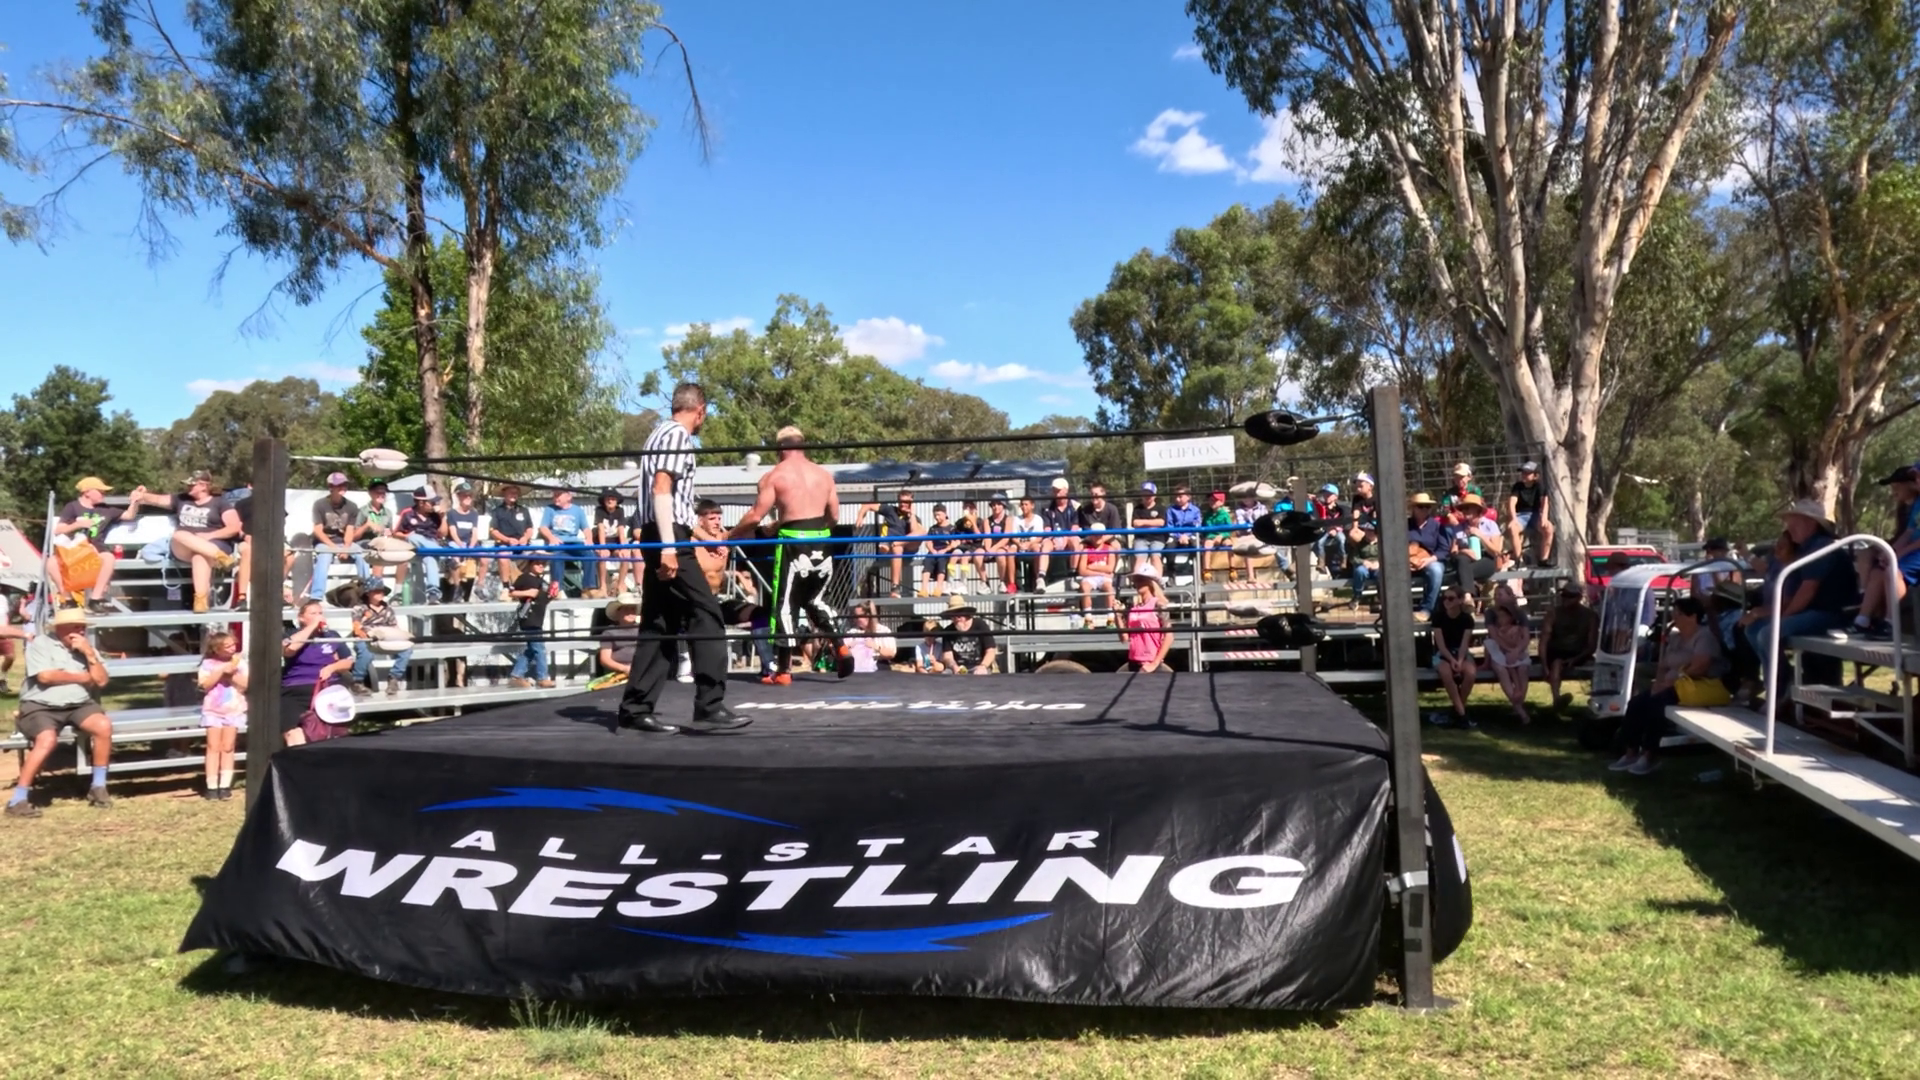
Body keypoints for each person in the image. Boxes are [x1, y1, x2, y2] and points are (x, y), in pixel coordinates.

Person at [616, 382, 748, 735]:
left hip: (663, 532)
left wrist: (703, 538)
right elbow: (661, 488)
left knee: (659, 624)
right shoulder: (677, 435)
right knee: (708, 614)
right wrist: (669, 548)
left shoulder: (657, 433)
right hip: (667, 536)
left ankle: (634, 709)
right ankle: (709, 707)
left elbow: (677, 504)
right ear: (700, 411)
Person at [729, 425, 851, 683]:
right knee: (816, 600)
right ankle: (840, 645)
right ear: (802, 445)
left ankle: (784, 671)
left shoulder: (775, 476)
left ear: (780, 449)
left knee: (785, 603)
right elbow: (834, 516)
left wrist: (730, 536)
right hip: (823, 539)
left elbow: (755, 516)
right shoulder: (824, 475)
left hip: (794, 544)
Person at [1743, 500, 1856, 696]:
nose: (1789, 528)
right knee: (1753, 629)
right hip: (1812, 612)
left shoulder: (1821, 547)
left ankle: (1778, 690)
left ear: (1811, 523)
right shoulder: (1804, 548)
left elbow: (1807, 590)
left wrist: (1782, 617)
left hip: (1830, 614)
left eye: (1794, 522)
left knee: (1767, 633)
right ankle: (1783, 679)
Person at [8, 608, 114, 816]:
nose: (80, 631)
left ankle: (98, 787)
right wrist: (83, 678)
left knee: (103, 726)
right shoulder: (40, 644)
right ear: (60, 628)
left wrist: (90, 655)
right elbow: (46, 677)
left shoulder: (87, 648)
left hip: (79, 704)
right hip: (40, 705)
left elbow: (101, 681)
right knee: (47, 739)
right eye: (75, 626)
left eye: (82, 627)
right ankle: (17, 800)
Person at [1611, 596, 1727, 776]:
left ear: (1692, 616)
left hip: (1694, 686)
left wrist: (1671, 682)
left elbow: (1700, 667)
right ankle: (1630, 752)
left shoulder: (1705, 637)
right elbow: (1663, 665)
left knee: (1656, 706)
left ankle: (1649, 755)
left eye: (1678, 614)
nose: (1674, 617)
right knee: (1636, 703)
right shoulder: (1676, 638)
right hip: (1670, 685)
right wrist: (1659, 682)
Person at [125, 471, 243, 613]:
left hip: (212, 543)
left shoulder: (220, 503)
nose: (188, 487)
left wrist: (209, 536)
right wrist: (142, 495)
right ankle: (221, 558)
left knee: (199, 556)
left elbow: (234, 527)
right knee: (179, 534)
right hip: (184, 546)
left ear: (203, 486)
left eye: (191, 485)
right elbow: (158, 499)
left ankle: (201, 600)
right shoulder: (181, 499)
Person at [49, 476, 135, 613]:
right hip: (74, 550)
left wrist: (135, 501)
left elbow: (129, 515)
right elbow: (58, 530)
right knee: (51, 563)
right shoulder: (72, 507)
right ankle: (68, 600)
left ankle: (95, 599)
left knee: (109, 558)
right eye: (100, 491)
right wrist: (77, 525)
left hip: (96, 548)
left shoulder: (106, 509)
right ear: (87, 492)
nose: (104, 494)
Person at [1854, 465, 1920, 638]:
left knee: (1892, 571)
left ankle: (1891, 623)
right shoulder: (1916, 505)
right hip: (1913, 551)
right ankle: (1862, 620)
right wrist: (1890, 551)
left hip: (1916, 553)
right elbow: (1909, 532)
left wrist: (1898, 554)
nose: (1917, 481)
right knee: (1878, 571)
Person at [281, 599, 353, 748]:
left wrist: (332, 667)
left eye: (320, 613)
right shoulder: (291, 634)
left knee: (332, 730)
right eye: (313, 613)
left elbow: (348, 661)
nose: (318, 616)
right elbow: (289, 650)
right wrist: (312, 626)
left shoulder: (331, 635)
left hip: (327, 687)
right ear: (301, 618)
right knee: (292, 731)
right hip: (295, 688)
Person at [196, 631, 247, 800]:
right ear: (217, 649)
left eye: (233, 645)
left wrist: (231, 675)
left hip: (233, 709)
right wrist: (220, 671)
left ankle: (225, 784)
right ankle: (211, 785)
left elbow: (245, 685)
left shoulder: (240, 663)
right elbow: (205, 685)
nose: (232, 648)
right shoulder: (208, 664)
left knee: (228, 746)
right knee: (213, 746)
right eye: (227, 646)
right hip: (213, 710)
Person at [308, 472, 372, 601]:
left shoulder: (352, 506)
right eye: (339, 485)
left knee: (362, 555)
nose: (343, 487)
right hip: (324, 542)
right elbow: (318, 530)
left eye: (345, 484)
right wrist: (334, 548)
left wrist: (346, 548)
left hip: (343, 541)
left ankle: (366, 591)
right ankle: (316, 596)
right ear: (331, 487)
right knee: (324, 557)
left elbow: (350, 530)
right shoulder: (320, 504)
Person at [1539, 582, 1600, 711]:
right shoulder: (1553, 614)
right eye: (1564, 595)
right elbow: (1544, 640)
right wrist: (1544, 666)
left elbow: (1592, 646)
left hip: (1580, 653)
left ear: (1579, 597)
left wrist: (1576, 659)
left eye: (1570, 596)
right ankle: (1557, 699)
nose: (1565, 598)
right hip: (1556, 652)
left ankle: (1597, 701)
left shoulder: (1590, 616)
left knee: (1599, 669)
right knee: (1557, 663)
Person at [348, 578, 412, 696]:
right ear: (368, 593)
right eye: (376, 591)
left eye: (381, 591)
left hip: (385, 637)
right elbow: (357, 627)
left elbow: (393, 626)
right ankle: (357, 681)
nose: (380, 594)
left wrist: (398, 636)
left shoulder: (388, 609)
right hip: (366, 638)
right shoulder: (359, 608)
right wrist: (366, 635)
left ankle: (394, 678)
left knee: (406, 649)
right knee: (366, 653)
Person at [1427, 589, 1478, 729]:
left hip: (1461, 652)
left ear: (1460, 600)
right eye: (1444, 598)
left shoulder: (1467, 619)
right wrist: (1452, 660)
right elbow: (1441, 645)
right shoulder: (1438, 617)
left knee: (1470, 673)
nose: (1446, 601)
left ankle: (1457, 710)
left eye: (1451, 598)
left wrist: (1459, 660)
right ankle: (1462, 714)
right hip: (1443, 653)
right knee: (1445, 672)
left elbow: (1464, 644)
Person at [507, 557, 557, 689]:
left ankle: (516, 675)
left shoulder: (541, 581)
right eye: (537, 563)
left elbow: (543, 599)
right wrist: (528, 592)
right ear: (530, 564)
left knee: (531, 650)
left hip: (537, 619)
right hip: (529, 619)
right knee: (540, 649)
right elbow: (511, 592)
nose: (541, 566)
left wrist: (552, 595)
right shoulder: (524, 578)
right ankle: (542, 677)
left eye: (543, 564)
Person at [394, 486, 448, 603]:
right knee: (413, 537)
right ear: (421, 503)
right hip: (413, 548)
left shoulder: (435, 515)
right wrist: (407, 536)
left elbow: (443, 533)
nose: (434, 504)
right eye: (431, 502)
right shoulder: (408, 513)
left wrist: (443, 518)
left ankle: (433, 593)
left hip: (429, 547)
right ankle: (444, 554)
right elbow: (396, 533)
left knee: (430, 558)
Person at [1483, 602, 1533, 725]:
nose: (1500, 619)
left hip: (1514, 654)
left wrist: (1503, 639)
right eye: (1499, 617)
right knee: (1507, 667)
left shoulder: (1515, 629)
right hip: (1504, 656)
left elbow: (1514, 643)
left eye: (1503, 617)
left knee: (1519, 668)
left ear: (1511, 618)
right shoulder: (1498, 629)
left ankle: (1518, 700)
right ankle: (1520, 709)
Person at [1408, 494, 1452, 617]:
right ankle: (1397, 610)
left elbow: (1444, 549)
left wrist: (1429, 560)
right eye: (1420, 506)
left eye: (1427, 506)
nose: (1424, 509)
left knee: (1436, 570)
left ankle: (1427, 609)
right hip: (1408, 561)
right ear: (1413, 508)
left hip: (1431, 560)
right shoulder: (1404, 525)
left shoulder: (1437, 526)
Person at [541, 488, 591, 597]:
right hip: (557, 542)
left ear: (568, 497)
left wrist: (589, 539)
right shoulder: (549, 509)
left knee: (590, 554)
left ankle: (588, 588)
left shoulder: (578, 510)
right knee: (556, 556)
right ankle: (557, 589)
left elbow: (586, 528)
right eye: (554, 495)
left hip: (573, 542)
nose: (555, 498)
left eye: (558, 495)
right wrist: (551, 537)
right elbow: (543, 527)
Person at [1122, 565, 1171, 672]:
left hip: (1151, 661)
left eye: (1141, 580)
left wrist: (1154, 663)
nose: (1137, 583)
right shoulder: (1134, 608)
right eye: (1136, 580)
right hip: (1133, 661)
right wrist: (1117, 616)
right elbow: (1124, 638)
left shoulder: (1158, 605)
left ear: (1150, 583)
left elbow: (1169, 636)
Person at [1504, 461, 1554, 566]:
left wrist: (1544, 517)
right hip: (1520, 516)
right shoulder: (1517, 486)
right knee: (1512, 528)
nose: (1524, 475)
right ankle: (1519, 560)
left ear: (1535, 476)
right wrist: (1513, 519)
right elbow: (1512, 503)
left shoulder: (1539, 486)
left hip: (1536, 515)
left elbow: (1544, 502)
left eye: (1527, 473)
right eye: (1523, 472)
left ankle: (1543, 559)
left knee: (1549, 528)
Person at [444, 484, 487, 601]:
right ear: (458, 497)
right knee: (454, 560)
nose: (468, 498)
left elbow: (475, 532)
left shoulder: (473, 513)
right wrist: (461, 545)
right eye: (465, 495)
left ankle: (480, 586)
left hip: (470, 544)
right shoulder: (452, 513)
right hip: (456, 543)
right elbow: (453, 532)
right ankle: (457, 587)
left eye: (470, 495)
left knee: (484, 559)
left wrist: (471, 547)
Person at [489, 484, 537, 584]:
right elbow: (493, 531)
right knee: (503, 557)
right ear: (504, 494)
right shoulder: (497, 511)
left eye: (516, 493)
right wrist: (507, 540)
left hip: (523, 545)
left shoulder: (524, 510)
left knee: (539, 556)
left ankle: (533, 584)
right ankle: (506, 586)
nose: (514, 495)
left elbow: (529, 528)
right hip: (504, 544)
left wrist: (525, 538)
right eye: (511, 492)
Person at [594, 592, 641, 687]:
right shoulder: (609, 633)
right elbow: (605, 659)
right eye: (626, 609)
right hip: (617, 676)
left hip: (641, 673)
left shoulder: (643, 630)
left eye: (632, 609)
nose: (630, 612)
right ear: (618, 612)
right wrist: (625, 669)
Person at [1076, 523, 1117, 627]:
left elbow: (1110, 568)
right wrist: (1100, 571)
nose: (1098, 537)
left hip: (1103, 577)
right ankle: (1088, 619)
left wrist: (1091, 567)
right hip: (1091, 577)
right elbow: (1082, 571)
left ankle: (1111, 618)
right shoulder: (1086, 550)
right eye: (1095, 535)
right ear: (1091, 536)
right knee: (1085, 587)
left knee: (1109, 588)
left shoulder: (1110, 549)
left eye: (1100, 535)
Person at [593, 489, 630, 596]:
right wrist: (603, 547)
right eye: (608, 498)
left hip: (615, 543)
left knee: (625, 556)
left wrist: (623, 548)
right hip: (602, 542)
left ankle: (621, 584)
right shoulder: (599, 510)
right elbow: (600, 529)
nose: (610, 501)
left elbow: (621, 530)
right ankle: (603, 586)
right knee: (602, 556)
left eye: (613, 499)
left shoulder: (620, 511)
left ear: (617, 501)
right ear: (604, 500)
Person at [943, 605, 997, 675]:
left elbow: (991, 651)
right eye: (953, 616)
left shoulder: (980, 625)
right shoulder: (948, 630)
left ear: (966, 614)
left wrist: (983, 666)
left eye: (959, 615)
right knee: (945, 675)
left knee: (980, 674)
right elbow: (947, 656)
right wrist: (954, 666)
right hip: (958, 667)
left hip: (979, 665)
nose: (956, 618)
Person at [844, 603, 898, 673]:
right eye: (855, 617)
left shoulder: (883, 630)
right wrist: (848, 647)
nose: (856, 620)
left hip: (878, 663)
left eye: (859, 617)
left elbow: (891, 654)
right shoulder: (852, 632)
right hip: (856, 666)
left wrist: (875, 647)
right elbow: (841, 652)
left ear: (868, 616)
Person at [1131, 482, 1167, 577]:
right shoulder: (1137, 509)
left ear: (1155, 495)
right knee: (1140, 558)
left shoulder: (1161, 508)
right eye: (1145, 493)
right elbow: (1135, 523)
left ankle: (1158, 579)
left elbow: (1161, 522)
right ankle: (1138, 580)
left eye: (1150, 494)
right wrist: (1153, 523)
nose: (1147, 496)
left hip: (1157, 538)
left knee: (1155, 556)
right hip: (1141, 538)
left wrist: (1143, 523)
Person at [922, 505, 958, 597]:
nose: (937, 517)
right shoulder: (932, 528)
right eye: (935, 515)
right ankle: (924, 589)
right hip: (934, 551)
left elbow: (955, 543)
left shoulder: (952, 528)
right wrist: (932, 550)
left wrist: (945, 550)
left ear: (945, 514)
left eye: (939, 515)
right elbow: (928, 542)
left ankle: (939, 588)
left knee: (942, 562)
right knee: (927, 561)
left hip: (945, 552)